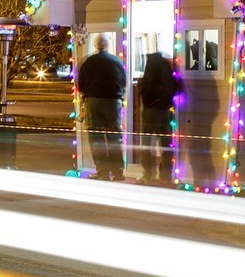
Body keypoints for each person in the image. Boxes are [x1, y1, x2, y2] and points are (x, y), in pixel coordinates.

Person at [74, 34, 128, 180]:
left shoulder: (89, 61)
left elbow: (80, 82)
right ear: (107, 45)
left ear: (96, 45)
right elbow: (123, 81)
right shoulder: (117, 61)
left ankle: (102, 171)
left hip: (94, 101)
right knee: (114, 138)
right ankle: (118, 171)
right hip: (113, 102)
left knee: (96, 137)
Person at [133, 50, 183, 183]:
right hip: (165, 110)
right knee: (165, 144)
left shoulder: (151, 66)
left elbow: (146, 87)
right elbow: (175, 86)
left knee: (146, 144)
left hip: (150, 110)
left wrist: (145, 99)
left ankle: (147, 174)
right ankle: (165, 175)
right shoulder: (166, 68)